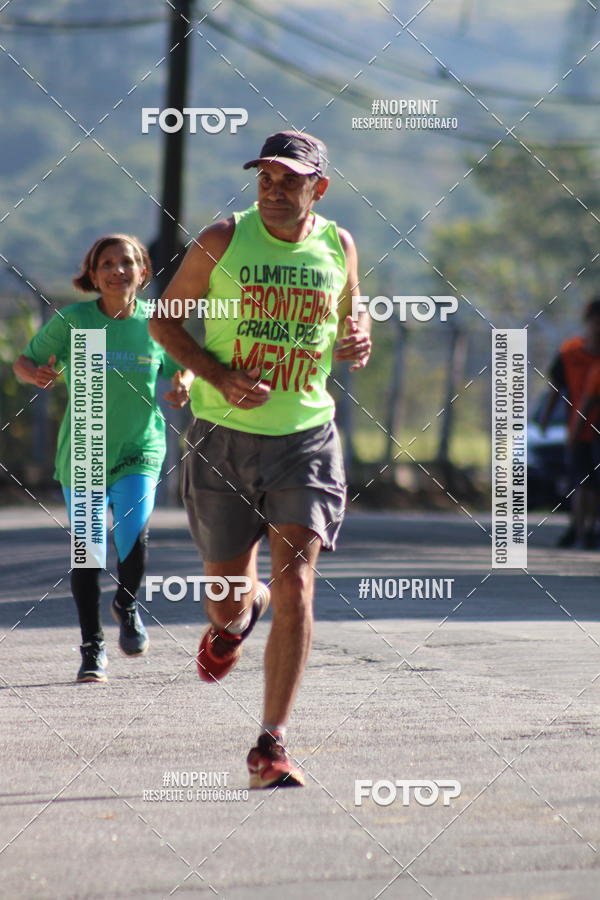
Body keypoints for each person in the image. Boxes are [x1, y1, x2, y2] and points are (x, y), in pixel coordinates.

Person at [149, 131, 371, 788]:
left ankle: (271, 743)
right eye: (265, 179)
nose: (273, 190)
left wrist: (358, 336)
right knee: (225, 596)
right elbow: (165, 322)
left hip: (305, 438)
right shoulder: (222, 240)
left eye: (289, 179)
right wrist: (216, 375)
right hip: (221, 438)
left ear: (318, 188)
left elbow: (347, 323)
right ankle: (238, 619)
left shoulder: (339, 245)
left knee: (299, 580)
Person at [13, 234, 194, 682]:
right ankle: (92, 650)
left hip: (140, 447)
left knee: (133, 534)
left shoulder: (157, 321)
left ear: (143, 270)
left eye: (127, 262)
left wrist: (183, 383)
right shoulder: (75, 321)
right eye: (107, 264)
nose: (118, 270)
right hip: (86, 448)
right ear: (93, 275)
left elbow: (182, 365)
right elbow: (25, 360)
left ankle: (127, 603)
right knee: (89, 551)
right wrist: (34, 373)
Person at [541, 297, 600, 548]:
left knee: (595, 485)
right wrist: (545, 418)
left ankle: (590, 529)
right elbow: (557, 388)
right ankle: (578, 528)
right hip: (580, 427)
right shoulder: (570, 352)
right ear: (588, 322)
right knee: (581, 482)